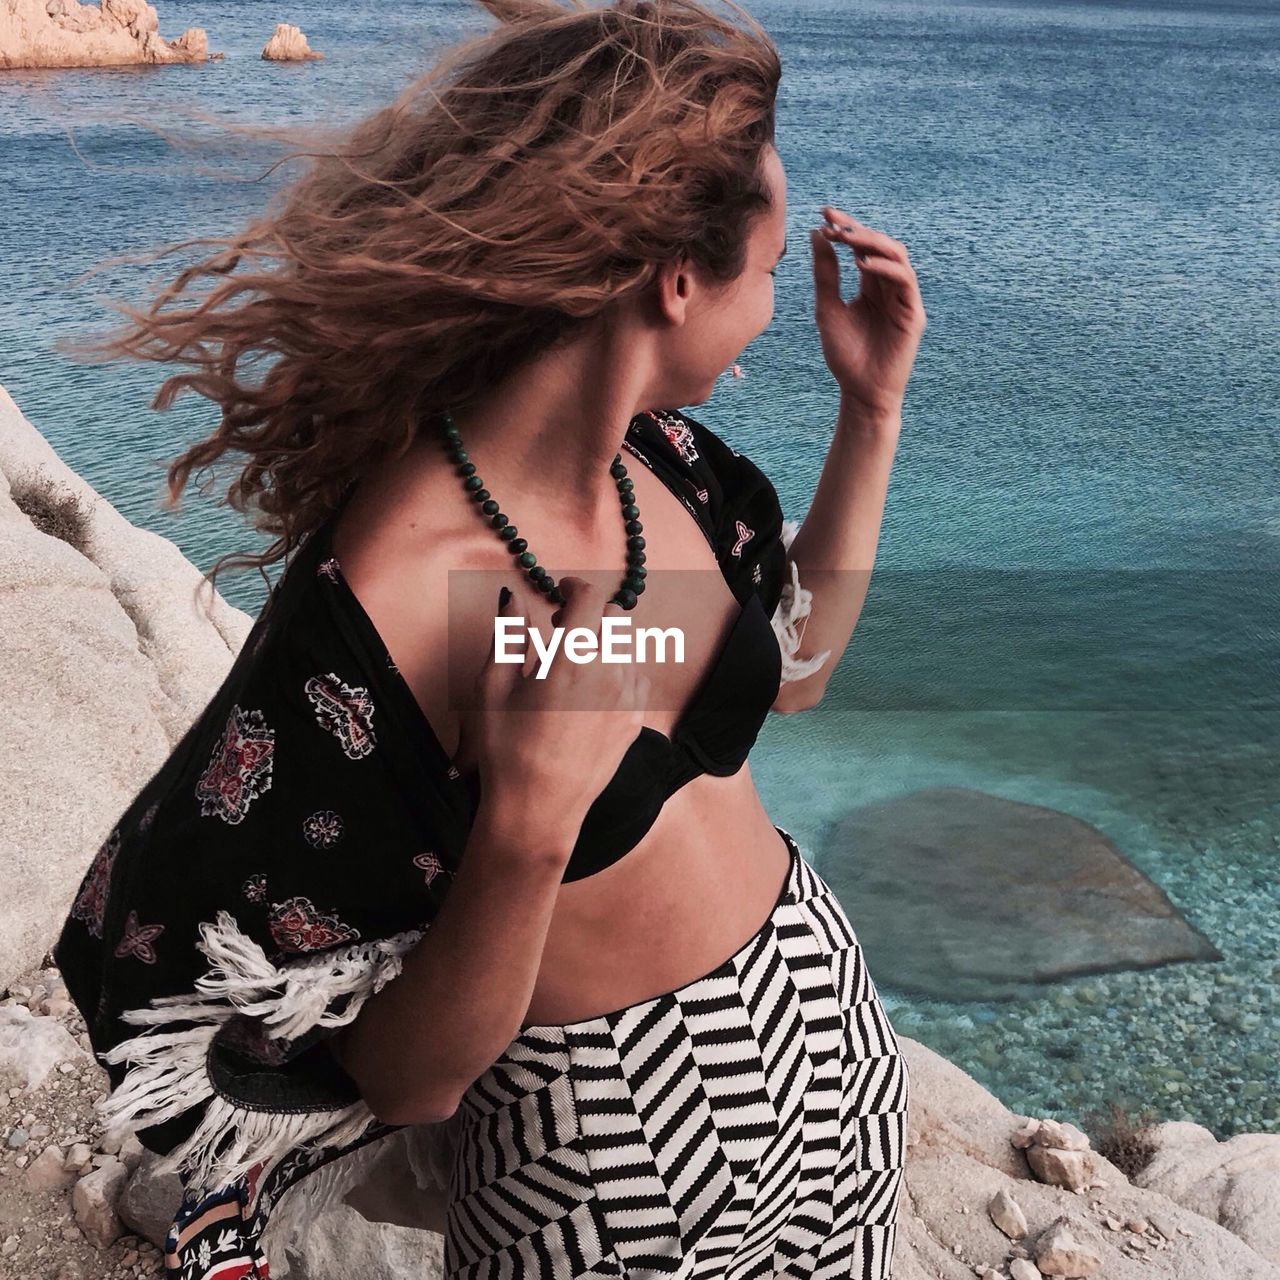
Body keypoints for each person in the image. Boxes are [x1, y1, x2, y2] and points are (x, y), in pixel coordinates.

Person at [51, 0, 926, 1275]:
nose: (772, 314)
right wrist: (522, 834)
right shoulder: (412, 595)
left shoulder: (650, 474)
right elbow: (407, 1077)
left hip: (832, 1051)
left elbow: (789, 676)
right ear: (675, 280)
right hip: (622, 1158)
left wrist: (873, 409)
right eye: (770, 262)